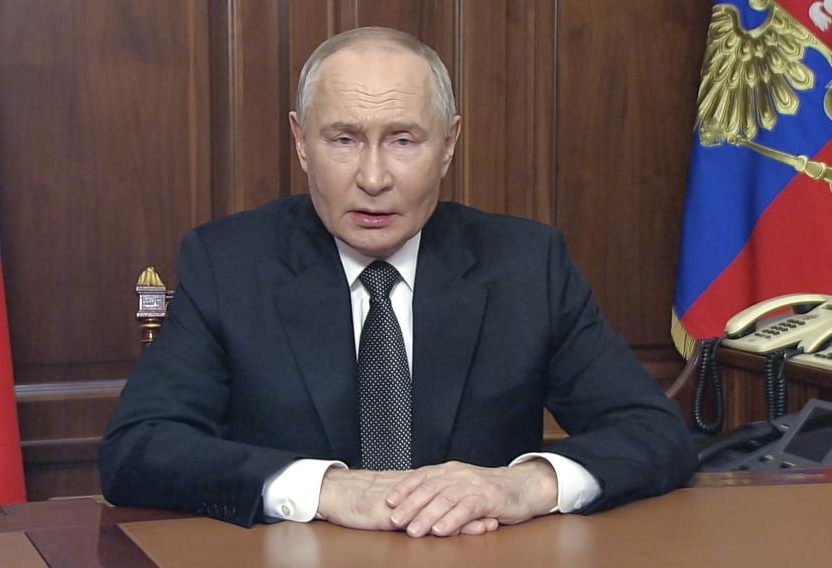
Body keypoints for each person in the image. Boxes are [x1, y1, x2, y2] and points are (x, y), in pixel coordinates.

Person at [99, 26, 697, 538]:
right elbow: (139, 448)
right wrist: (327, 489)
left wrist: (525, 485)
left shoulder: (525, 263)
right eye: (343, 139)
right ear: (300, 143)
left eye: (404, 140)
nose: (374, 177)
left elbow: (653, 432)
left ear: (449, 145)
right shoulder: (229, 262)